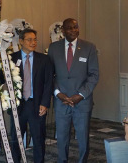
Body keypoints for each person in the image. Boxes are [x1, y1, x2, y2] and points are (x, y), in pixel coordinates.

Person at [48, 18, 99, 163]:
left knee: (83, 137)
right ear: (63, 30)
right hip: (61, 101)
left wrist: (81, 95)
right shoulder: (54, 48)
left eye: (76, 27)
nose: (73, 30)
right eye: (69, 28)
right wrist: (58, 93)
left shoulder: (89, 47)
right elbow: (49, 75)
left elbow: (94, 75)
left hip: (82, 101)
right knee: (62, 137)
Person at [9, 29, 53, 163]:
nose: (33, 43)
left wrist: (45, 103)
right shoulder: (11, 58)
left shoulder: (44, 59)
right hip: (18, 105)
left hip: (37, 105)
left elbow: (49, 83)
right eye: (29, 40)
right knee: (16, 138)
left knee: (39, 138)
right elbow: (3, 79)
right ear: (21, 41)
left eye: (35, 40)